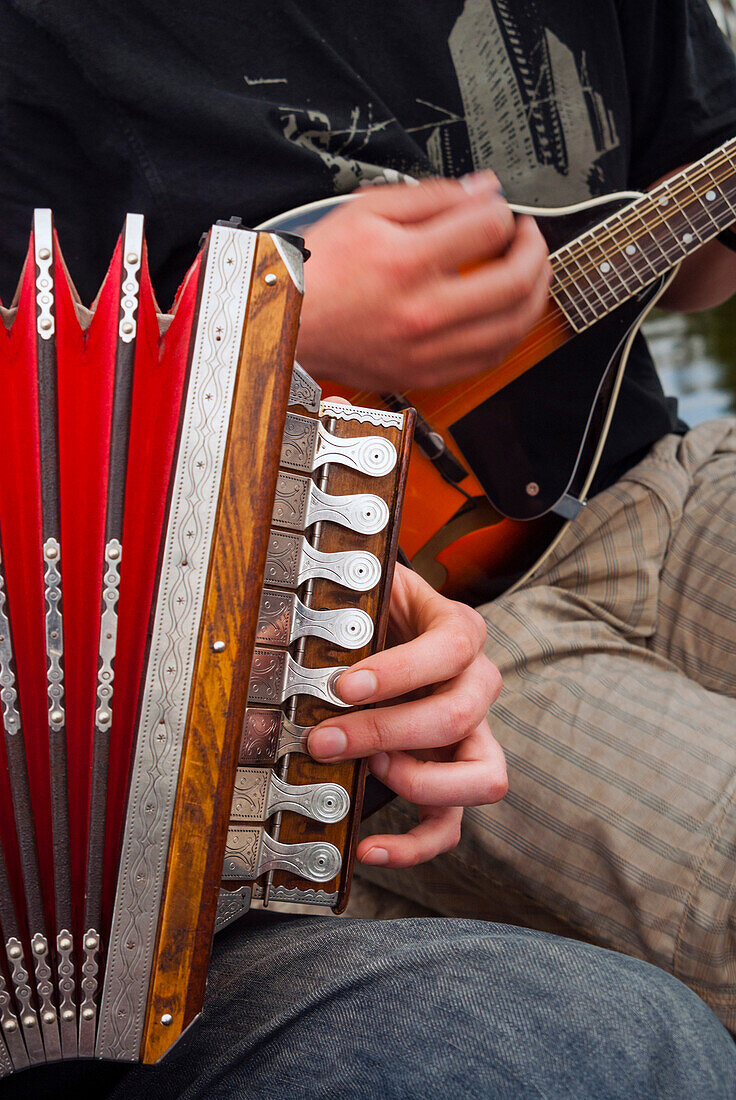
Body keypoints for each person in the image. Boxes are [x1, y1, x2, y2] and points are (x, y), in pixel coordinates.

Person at [1, 1, 736, 1095]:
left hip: (630, 485)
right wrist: (267, 313)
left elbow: (700, 273)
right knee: (632, 1020)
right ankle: (320, 868)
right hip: (292, 610)